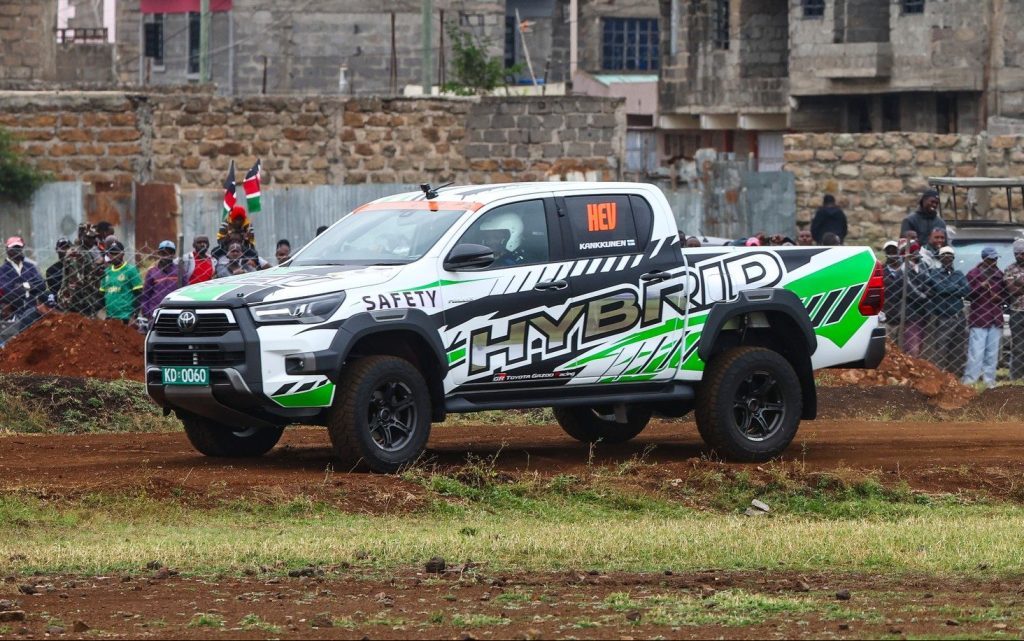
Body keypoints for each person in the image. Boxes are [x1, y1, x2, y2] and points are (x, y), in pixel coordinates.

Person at [963, 247, 1008, 388]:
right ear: (984, 259)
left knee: (992, 353)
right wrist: (979, 287)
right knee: (976, 352)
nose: (993, 262)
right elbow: (967, 294)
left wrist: (999, 298)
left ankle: (990, 382)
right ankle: (970, 381)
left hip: (995, 318)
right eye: (990, 259)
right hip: (979, 318)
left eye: (995, 259)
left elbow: (1006, 296)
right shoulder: (973, 274)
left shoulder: (999, 275)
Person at [926, 246, 970, 375]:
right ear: (940, 258)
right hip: (944, 316)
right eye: (944, 255)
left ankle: (955, 376)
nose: (947, 258)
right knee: (941, 347)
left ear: (953, 258)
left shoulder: (959, 274)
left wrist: (949, 288)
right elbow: (940, 289)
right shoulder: (934, 273)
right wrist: (956, 288)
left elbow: (967, 290)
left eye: (949, 255)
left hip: (959, 315)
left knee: (958, 348)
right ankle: (939, 375)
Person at [0, 236, 46, 324]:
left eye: (19, 248)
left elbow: (42, 285)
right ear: (7, 250)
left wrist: (23, 286)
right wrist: (31, 286)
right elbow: (7, 290)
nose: (17, 250)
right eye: (14, 248)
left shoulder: (30, 266)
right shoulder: (3, 270)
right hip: (14, 309)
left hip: (33, 306)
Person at [901, 243, 931, 357]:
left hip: (922, 311)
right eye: (915, 252)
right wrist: (923, 296)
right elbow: (909, 288)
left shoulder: (922, 265)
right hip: (910, 310)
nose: (917, 255)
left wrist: (927, 291)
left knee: (920, 342)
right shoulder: (904, 268)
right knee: (912, 346)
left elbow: (928, 280)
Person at [100, 241, 143, 323]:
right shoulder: (106, 272)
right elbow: (101, 294)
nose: (113, 256)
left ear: (122, 254)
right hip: (110, 316)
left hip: (126, 316)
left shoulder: (131, 270)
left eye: (116, 253)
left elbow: (139, 294)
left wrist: (135, 314)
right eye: (111, 253)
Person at [140, 240, 182, 324]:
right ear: (159, 254)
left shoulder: (180, 271)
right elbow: (145, 296)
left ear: (173, 255)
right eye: (163, 253)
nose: (166, 256)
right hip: (155, 314)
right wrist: (148, 314)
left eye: (169, 253)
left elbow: (185, 292)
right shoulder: (152, 272)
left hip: (176, 314)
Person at [1004, 239, 1024, 379]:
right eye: (1018, 254)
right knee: (1018, 347)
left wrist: (1019, 283)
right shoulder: (1010, 269)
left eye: (1023, 253)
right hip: (1017, 312)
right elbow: (1011, 290)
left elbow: (1017, 287)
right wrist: (1017, 286)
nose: (1021, 256)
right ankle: (1016, 377)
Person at [881, 240, 903, 343]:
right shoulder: (880, 271)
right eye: (889, 251)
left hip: (903, 316)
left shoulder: (905, 270)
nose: (892, 254)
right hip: (886, 315)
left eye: (894, 251)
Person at [45, 237, 71, 301]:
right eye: (63, 248)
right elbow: (55, 289)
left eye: (67, 248)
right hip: (60, 298)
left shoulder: (78, 265)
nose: (65, 250)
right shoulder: (51, 270)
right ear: (57, 250)